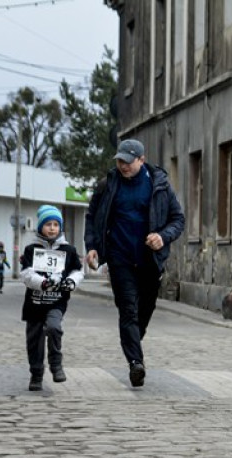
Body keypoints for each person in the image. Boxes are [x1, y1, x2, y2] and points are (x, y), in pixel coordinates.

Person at [84, 138, 185, 387]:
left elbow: (178, 219)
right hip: (120, 258)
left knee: (144, 311)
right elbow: (92, 216)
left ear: (141, 159)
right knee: (128, 308)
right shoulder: (108, 185)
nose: (123, 166)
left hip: (150, 259)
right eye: (120, 161)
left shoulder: (159, 185)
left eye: (128, 161)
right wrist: (93, 247)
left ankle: (131, 341)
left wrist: (163, 236)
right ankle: (135, 363)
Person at [20, 205, 84, 391]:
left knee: (54, 328)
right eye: (48, 224)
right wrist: (42, 282)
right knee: (34, 340)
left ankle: (56, 364)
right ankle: (36, 374)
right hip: (34, 302)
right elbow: (26, 274)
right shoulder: (31, 249)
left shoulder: (68, 250)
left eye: (56, 224)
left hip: (57, 301)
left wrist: (71, 282)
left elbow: (78, 271)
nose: (52, 228)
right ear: (40, 227)